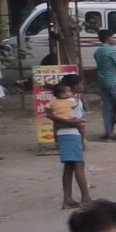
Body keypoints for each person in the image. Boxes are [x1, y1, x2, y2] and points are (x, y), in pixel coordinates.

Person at [48, 79, 90, 207]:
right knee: (78, 165)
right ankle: (85, 198)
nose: (82, 86)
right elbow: (76, 122)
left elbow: (52, 117)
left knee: (69, 167)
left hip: (64, 135)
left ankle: (68, 199)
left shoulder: (58, 103)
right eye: (80, 84)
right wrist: (77, 128)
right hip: (71, 134)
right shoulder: (71, 102)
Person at [92, 29, 116, 140]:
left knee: (107, 108)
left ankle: (108, 132)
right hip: (114, 81)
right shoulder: (111, 51)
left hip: (102, 82)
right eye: (112, 37)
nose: (113, 39)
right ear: (108, 38)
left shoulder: (98, 51)